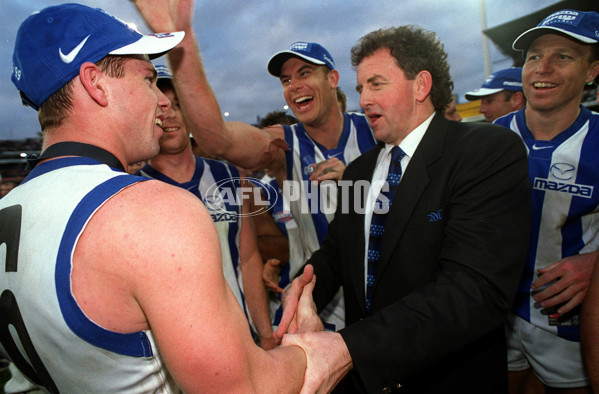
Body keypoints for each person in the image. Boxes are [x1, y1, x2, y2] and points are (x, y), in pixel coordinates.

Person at [0, 3, 320, 392]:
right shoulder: (148, 211)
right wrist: (323, 349)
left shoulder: (10, 207)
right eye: (149, 79)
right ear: (95, 83)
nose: (159, 100)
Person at [280, 25, 531, 393]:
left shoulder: (485, 153)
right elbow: (337, 251)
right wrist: (302, 288)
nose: (363, 99)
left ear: (421, 85)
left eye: (376, 84)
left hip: (448, 378)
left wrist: (351, 348)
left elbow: (473, 291)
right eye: (361, 87)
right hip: (367, 381)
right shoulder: (361, 170)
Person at [133, 0, 377, 332]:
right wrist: (183, 42)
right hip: (315, 312)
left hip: (384, 300)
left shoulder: (376, 132)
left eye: (305, 73)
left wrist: (359, 175)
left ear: (333, 78)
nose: (294, 86)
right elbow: (219, 140)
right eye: (286, 80)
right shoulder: (283, 145)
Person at [493, 9, 599, 393]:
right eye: (534, 56)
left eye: (563, 56)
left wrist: (596, 264)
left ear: (592, 72)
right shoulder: (489, 139)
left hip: (568, 321)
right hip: (494, 313)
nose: (543, 68)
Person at [137, 65, 276, 349]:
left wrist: (266, 335)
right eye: (160, 104)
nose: (170, 113)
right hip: (182, 350)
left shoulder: (228, 176)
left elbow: (247, 260)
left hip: (242, 338)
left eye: (179, 105)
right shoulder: (133, 190)